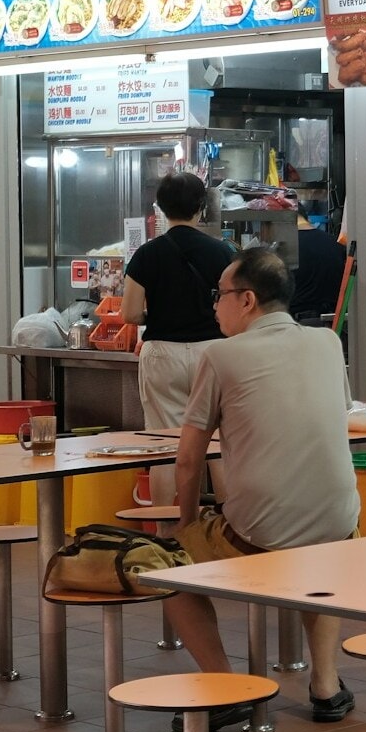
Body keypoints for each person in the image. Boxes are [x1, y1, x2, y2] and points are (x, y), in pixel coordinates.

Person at [165, 247, 360, 732]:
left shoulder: (221, 355)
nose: (215, 305)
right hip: (343, 524)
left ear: (247, 300)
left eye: (221, 295)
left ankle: (226, 687)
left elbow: (189, 458)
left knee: (166, 567)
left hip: (260, 533)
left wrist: (185, 525)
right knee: (319, 551)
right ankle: (326, 686)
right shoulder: (327, 343)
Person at [122, 173, 234, 503]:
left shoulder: (146, 254)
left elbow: (129, 314)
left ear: (161, 208)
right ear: (201, 207)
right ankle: (229, 528)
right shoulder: (221, 253)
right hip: (212, 353)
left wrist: (155, 314)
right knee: (216, 444)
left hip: (162, 354)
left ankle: (167, 533)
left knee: (163, 447)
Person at [288, 206, 346, 322]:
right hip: (334, 323)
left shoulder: (284, 248)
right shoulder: (337, 245)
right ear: (307, 218)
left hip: (297, 324)